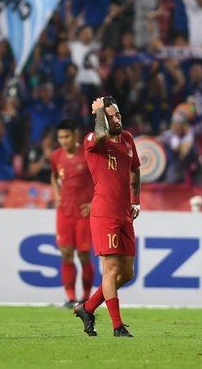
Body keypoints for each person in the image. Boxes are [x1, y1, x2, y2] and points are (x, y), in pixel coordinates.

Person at [74, 96, 141, 338]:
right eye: (110, 116)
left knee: (127, 273)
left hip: (125, 214)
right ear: (102, 118)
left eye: (118, 114)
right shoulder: (94, 140)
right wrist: (99, 112)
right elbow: (100, 134)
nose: (116, 119)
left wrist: (136, 201)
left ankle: (87, 308)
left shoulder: (128, 139)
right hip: (104, 214)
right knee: (111, 269)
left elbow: (135, 169)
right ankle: (117, 326)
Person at [50, 119, 95, 308]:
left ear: (75, 135)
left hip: (84, 212)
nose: (63, 141)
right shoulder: (56, 156)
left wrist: (94, 202)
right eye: (60, 137)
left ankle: (85, 298)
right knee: (66, 254)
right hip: (65, 212)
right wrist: (57, 195)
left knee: (84, 255)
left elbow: (101, 179)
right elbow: (53, 176)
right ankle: (70, 298)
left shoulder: (87, 155)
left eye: (67, 136)